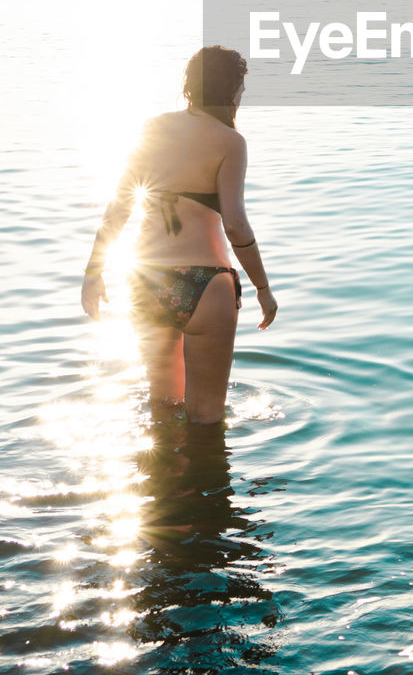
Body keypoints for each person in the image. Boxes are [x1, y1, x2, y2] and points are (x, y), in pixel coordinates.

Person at [81, 45, 277, 424]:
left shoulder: (151, 129)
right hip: (207, 285)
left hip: (147, 279)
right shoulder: (230, 142)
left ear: (190, 85)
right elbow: (235, 224)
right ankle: (209, 481)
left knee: (163, 410)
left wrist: (93, 273)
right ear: (232, 90)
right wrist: (263, 289)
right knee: (206, 418)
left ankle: (164, 479)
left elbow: (118, 209)